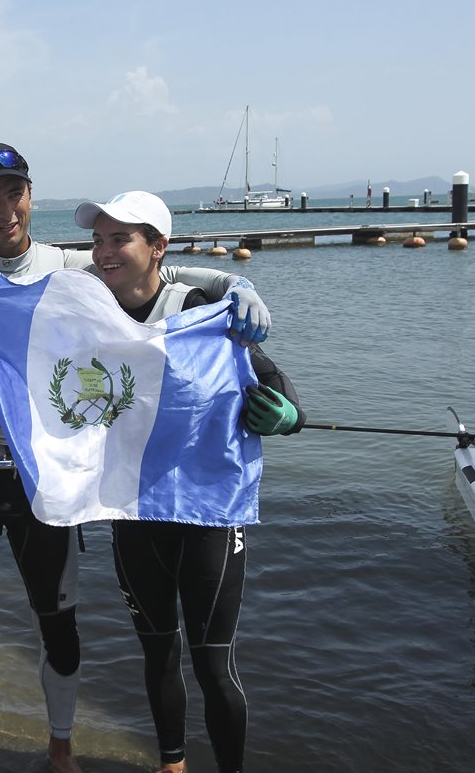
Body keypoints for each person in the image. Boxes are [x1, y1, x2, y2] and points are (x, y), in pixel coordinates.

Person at [0, 143, 275, 773]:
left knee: (59, 632)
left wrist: (232, 283)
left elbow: (152, 275)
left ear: (30, 195)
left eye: (16, 194)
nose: (6, 211)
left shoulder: (72, 270)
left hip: (47, 484)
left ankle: (60, 748)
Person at [75, 190, 304, 773]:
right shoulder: (87, 314)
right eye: (98, 239)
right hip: (132, 512)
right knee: (157, 656)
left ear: (157, 248)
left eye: (119, 238)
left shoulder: (199, 306)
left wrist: (287, 416)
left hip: (209, 512)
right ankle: (171, 765)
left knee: (212, 663)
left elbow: (276, 384)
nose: (104, 251)